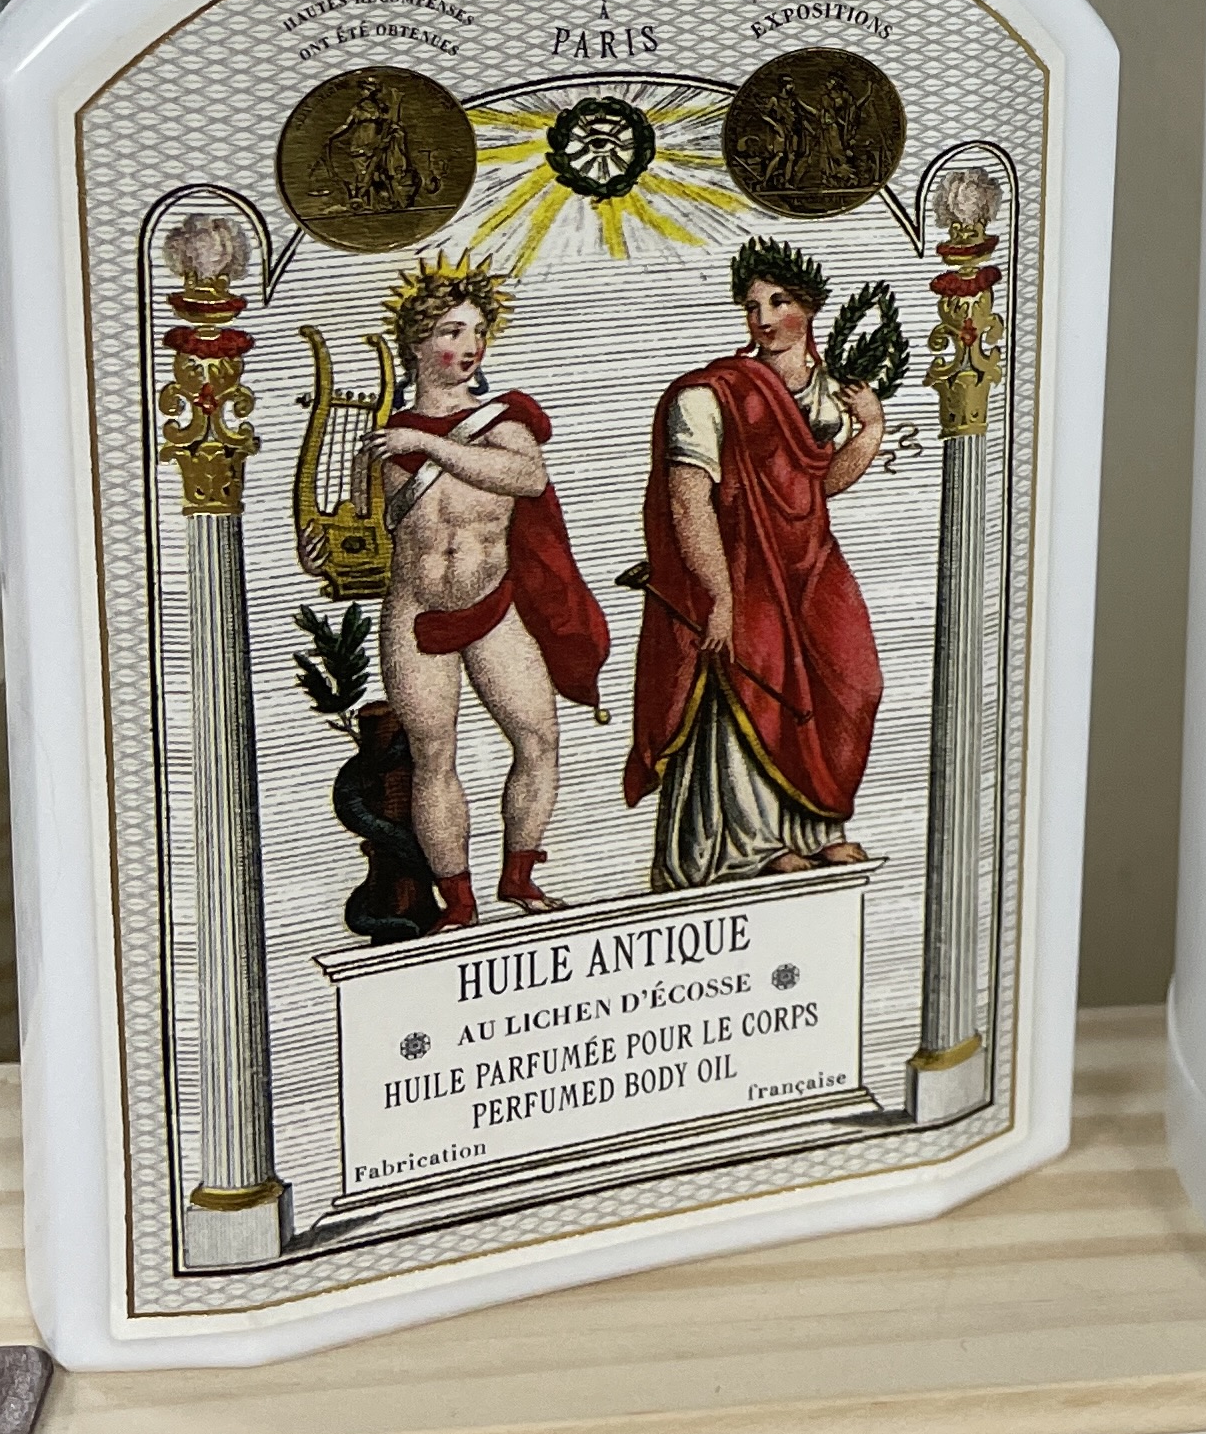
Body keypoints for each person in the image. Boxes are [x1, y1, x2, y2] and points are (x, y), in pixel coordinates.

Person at [626, 237, 886, 888]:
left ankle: (814, 830)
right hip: (739, 567)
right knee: (755, 677)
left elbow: (815, 487)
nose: (764, 318)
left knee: (850, 681)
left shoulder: (830, 395)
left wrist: (870, 431)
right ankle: (747, 839)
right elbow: (688, 500)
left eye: (779, 301)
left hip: (808, 564)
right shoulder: (709, 396)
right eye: (752, 306)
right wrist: (719, 595)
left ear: (810, 307)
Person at [376, 257, 611, 924]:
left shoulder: (503, 421)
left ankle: (520, 877)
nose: (470, 345)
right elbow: (365, 522)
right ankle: (458, 902)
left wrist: (430, 445)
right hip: (416, 609)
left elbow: (527, 478)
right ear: (417, 342)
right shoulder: (385, 432)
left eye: (478, 331)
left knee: (538, 739)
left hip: (494, 607)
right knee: (433, 755)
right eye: (452, 331)